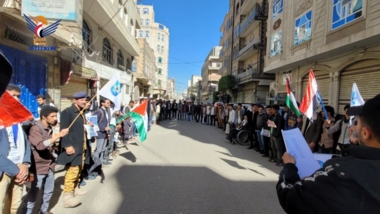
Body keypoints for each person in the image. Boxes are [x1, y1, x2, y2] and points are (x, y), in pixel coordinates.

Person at [276, 94, 380, 213]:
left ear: (366, 133)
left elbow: (290, 195)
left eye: (358, 124)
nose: (354, 128)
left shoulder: (341, 172)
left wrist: (289, 166)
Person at [23, 105, 69, 214]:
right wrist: (58, 136)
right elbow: (40, 146)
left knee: (48, 191)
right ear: (44, 117)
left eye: (56, 116)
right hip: (38, 167)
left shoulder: (49, 128)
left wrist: (53, 146)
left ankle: (43, 211)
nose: (55, 118)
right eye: (52, 116)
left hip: (49, 165)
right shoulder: (35, 128)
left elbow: (47, 145)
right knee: (32, 195)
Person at [0, 84, 31, 214]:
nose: (17, 99)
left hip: (19, 168)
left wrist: (25, 164)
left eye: (19, 96)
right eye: (13, 96)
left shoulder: (17, 120)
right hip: (4, 170)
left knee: (15, 206)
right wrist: (17, 170)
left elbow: (25, 143)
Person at [57, 91, 90, 208]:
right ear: (75, 100)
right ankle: (67, 197)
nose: (84, 101)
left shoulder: (82, 112)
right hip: (72, 146)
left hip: (81, 146)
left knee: (79, 168)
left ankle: (75, 188)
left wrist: (88, 125)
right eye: (81, 100)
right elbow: (64, 130)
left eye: (85, 100)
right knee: (72, 171)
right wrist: (67, 146)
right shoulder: (67, 112)